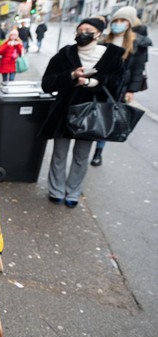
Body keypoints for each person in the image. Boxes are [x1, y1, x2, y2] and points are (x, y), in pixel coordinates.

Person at [39, 18, 124, 208]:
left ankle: (73, 192)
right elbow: (47, 83)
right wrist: (71, 76)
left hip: (93, 114)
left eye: (88, 29)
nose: (83, 33)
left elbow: (118, 84)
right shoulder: (65, 55)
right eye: (80, 29)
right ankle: (56, 190)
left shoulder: (111, 57)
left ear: (98, 33)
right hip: (64, 113)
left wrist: (92, 83)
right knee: (59, 154)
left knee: (81, 155)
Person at [90, 6, 153, 166]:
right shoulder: (104, 39)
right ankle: (86, 144)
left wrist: (131, 90)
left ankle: (99, 151)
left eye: (122, 21)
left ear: (129, 23)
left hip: (120, 88)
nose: (118, 23)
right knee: (92, 114)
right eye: (116, 20)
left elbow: (138, 69)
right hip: (100, 84)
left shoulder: (138, 42)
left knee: (109, 118)